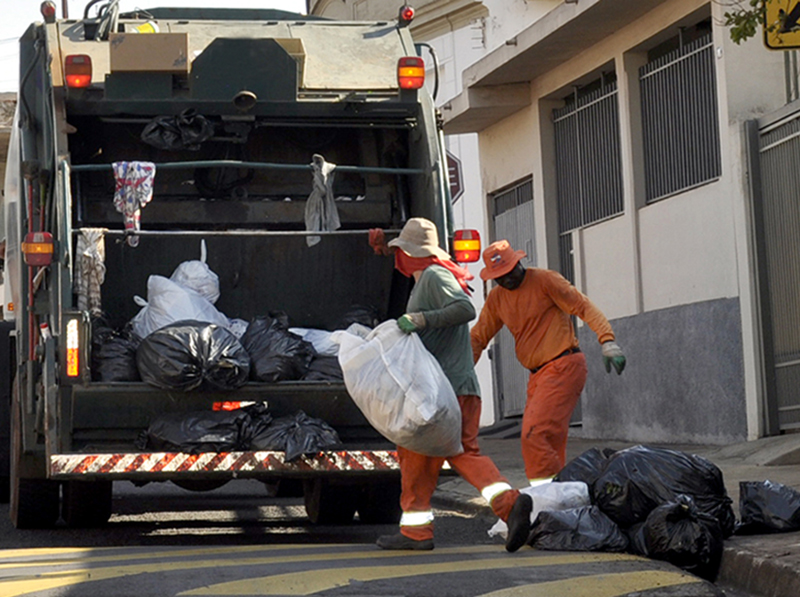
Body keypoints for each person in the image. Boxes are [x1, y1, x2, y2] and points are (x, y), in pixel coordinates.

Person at [369, 218, 533, 553]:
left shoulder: (434, 275)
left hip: (442, 391)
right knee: (429, 455)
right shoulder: (432, 274)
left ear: (412, 253)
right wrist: (383, 248)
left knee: (427, 454)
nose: (398, 257)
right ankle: (419, 531)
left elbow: (463, 309)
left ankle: (508, 503)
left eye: (400, 251)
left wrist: (420, 319)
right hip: (455, 388)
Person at [470, 239, 626, 488]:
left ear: (519, 263)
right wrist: (461, 373)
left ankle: (546, 495)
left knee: (535, 433)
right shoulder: (498, 299)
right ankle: (561, 493)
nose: (507, 280)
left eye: (510, 273)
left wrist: (607, 341)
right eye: (499, 277)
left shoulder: (545, 281)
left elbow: (583, 306)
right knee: (549, 440)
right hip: (538, 375)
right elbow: (478, 337)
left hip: (563, 364)